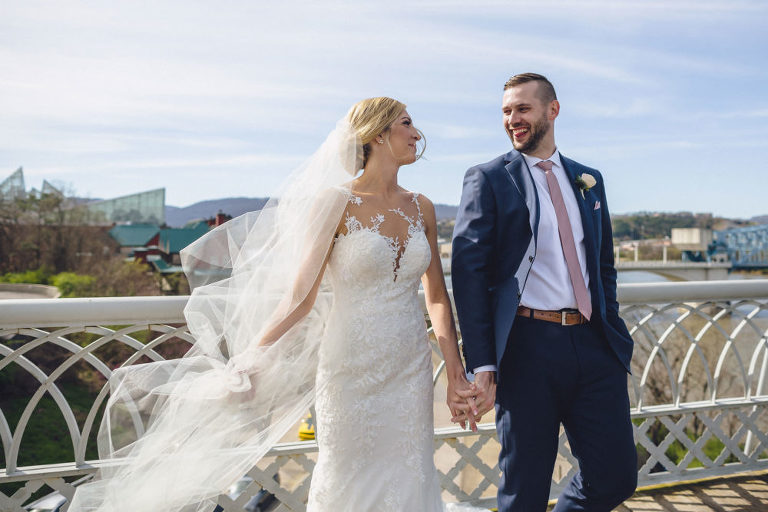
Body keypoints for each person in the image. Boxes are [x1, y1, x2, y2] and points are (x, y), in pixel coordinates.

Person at [69, 97, 480, 512]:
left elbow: (436, 298)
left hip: (409, 366)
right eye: (406, 123)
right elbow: (299, 296)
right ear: (378, 134)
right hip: (351, 365)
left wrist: (456, 374)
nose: (416, 134)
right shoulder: (335, 202)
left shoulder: (421, 207)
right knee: (349, 475)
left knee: (411, 470)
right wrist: (253, 355)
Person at [451, 73, 638, 511]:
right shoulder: (488, 178)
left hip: (594, 344)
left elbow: (603, 263)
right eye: (506, 112)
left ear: (552, 110)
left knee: (614, 477)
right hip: (526, 349)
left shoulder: (589, 179)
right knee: (525, 488)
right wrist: (483, 361)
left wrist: (610, 322)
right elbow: (469, 274)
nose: (512, 119)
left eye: (523, 109)